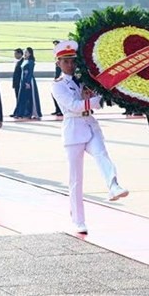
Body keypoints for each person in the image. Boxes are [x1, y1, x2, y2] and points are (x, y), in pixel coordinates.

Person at [51, 40, 128, 234]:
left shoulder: (84, 79)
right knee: (76, 180)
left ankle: (113, 185)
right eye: (65, 61)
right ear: (58, 63)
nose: (70, 65)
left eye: (72, 61)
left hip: (90, 125)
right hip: (73, 129)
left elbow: (98, 95)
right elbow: (73, 106)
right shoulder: (57, 85)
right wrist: (95, 101)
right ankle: (78, 220)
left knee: (102, 154)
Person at [13, 47, 42, 119]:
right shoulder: (24, 61)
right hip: (23, 81)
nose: (25, 54)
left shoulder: (31, 61)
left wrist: (28, 82)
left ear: (30, 53)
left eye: (26, 52)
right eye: (24, 52)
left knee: (29, 98)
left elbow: (30, 72)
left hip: (28, 81)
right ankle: (20, 113)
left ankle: (29, 113)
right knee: (21, 97)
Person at [51, 40, 63, 116]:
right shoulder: (56, 55)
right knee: (54, 94)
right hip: (57, 76)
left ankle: (61, 110)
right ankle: (57, 109)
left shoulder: (62, 55)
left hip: (61, 77)